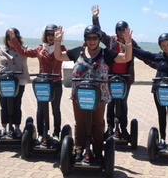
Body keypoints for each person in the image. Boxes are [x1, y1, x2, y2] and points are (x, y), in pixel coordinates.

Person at [54, 25, 132, 162]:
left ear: (99, 39)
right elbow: (59, 55)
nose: (92, 41)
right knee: (80, 123)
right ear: (85, 39)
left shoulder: (106, 53)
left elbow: (126, 57)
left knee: (97, 124)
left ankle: (97, 151)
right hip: (79, 95)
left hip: (99, 96)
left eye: (95, 38)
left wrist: (128, 42)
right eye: (89, 38)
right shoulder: (77, 52)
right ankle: (79, 149)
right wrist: (57, 41)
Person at [8, 24, 67, 141]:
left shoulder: (61, 48)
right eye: (49, 34)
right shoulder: (40, 49)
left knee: (56, 109)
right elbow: (23, 51)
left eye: (53, 34)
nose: (51, 36)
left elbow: (77, 53)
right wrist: (14, 39)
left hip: (55, 82)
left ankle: (56, 133)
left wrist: (88, 42)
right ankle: (41, 134)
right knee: (41, 109)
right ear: (45, 35)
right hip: (43, 83)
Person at [91, 5, 141, 139]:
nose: (121, 31)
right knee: (111, 103)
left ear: (127, 30)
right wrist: (95, 18)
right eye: (119, 29)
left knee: (123, 103)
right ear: (116, 30)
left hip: (125, 78)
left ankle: (123, 128)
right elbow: (99, 34)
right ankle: (110, 128)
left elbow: (143, 54)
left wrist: (158, 61)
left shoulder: (132, 43)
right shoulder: (112, 41)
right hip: (111, 78)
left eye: (124, 29)